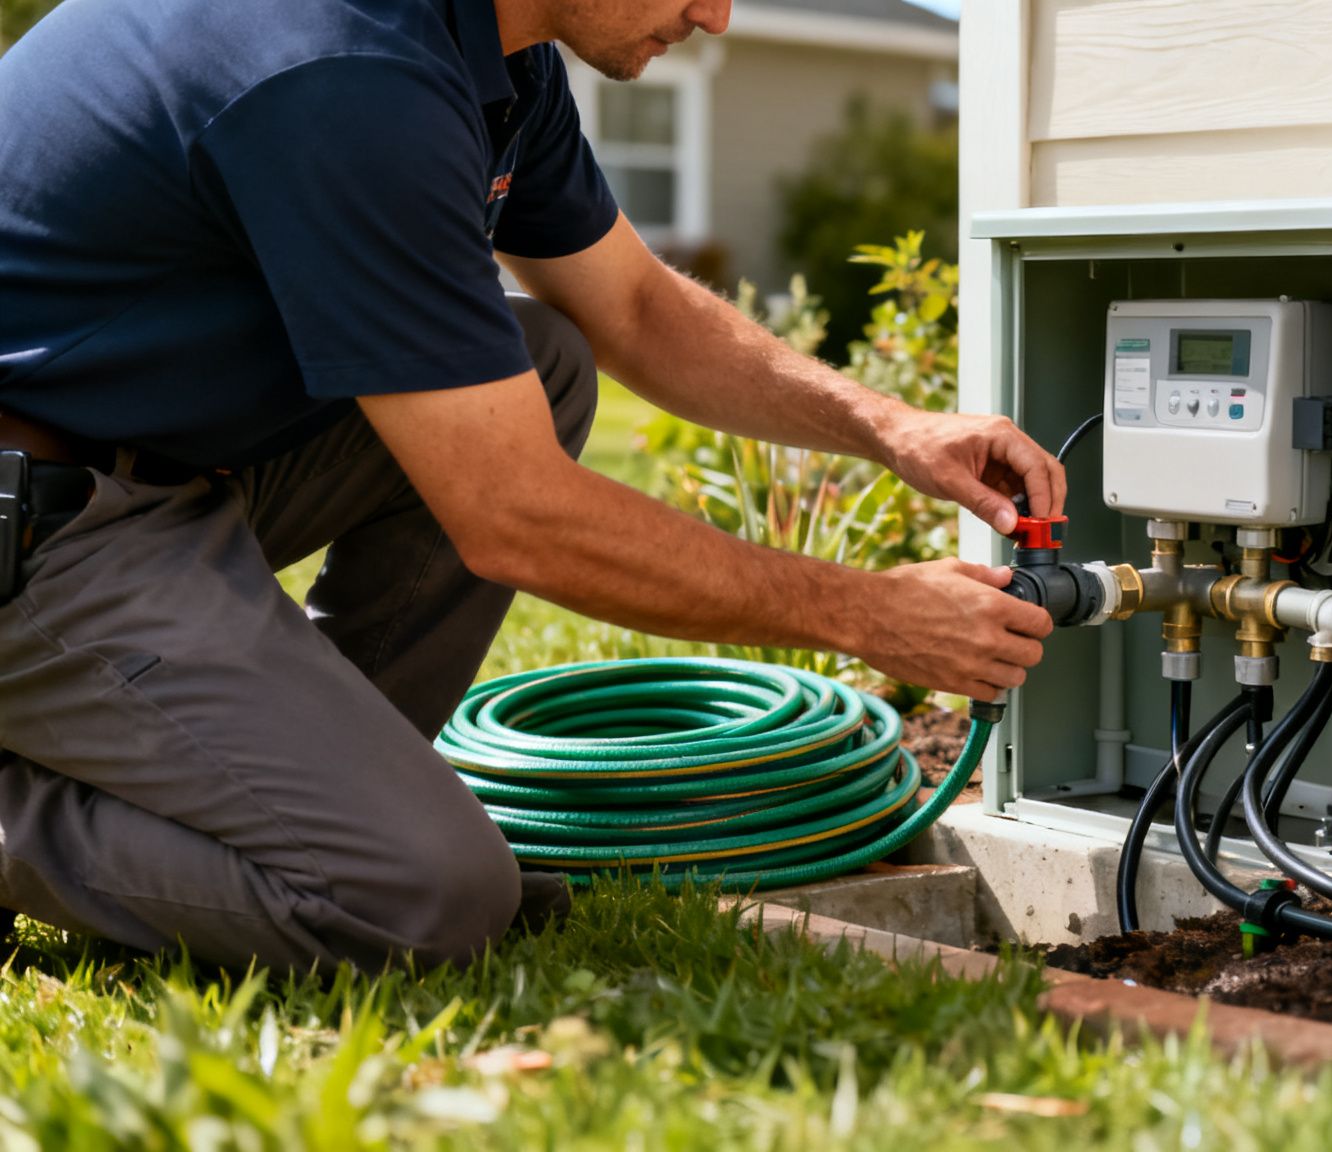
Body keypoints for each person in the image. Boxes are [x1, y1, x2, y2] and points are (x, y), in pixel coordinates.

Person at [0, 0, 1060, 972]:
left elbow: (637, 312)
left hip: (158, 469)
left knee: (541, 356)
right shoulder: (344, 70)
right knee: (417, 900)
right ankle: (327, 841)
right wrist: (868, 613)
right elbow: (512, 515)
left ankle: (307, 790)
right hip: (40, 516)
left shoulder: (488, 59)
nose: (717, 15)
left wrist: (892, 427)